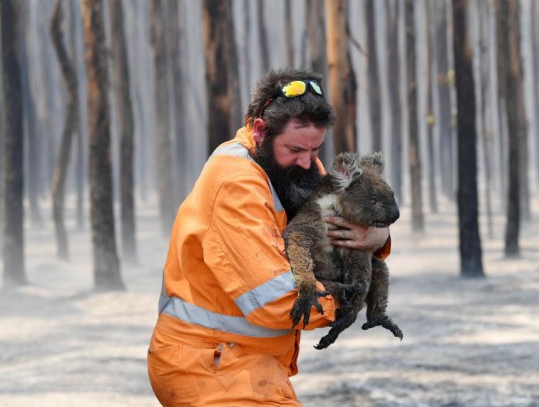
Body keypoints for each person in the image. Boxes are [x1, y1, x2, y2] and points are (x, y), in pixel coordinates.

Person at [147, 68, 392, 406]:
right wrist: (349, 298)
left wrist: (378, 236)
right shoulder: (235, 183)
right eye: (296, 149)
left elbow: (344, 227)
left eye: (316, 149)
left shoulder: (296, 166)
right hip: (208, 364)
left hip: (250, 363)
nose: (308, 163)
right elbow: (274, 300)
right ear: (261, 131)